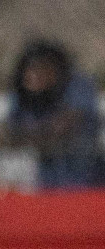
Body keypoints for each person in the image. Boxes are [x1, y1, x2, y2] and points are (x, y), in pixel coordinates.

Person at [8, 41, 100, 190]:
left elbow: (68, 122)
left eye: (40, 69)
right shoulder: (23, 95)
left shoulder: (78, 85)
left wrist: (37, 131)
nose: (33, 76)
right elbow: (14, 130)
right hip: (48, 180)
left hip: (83, 176)